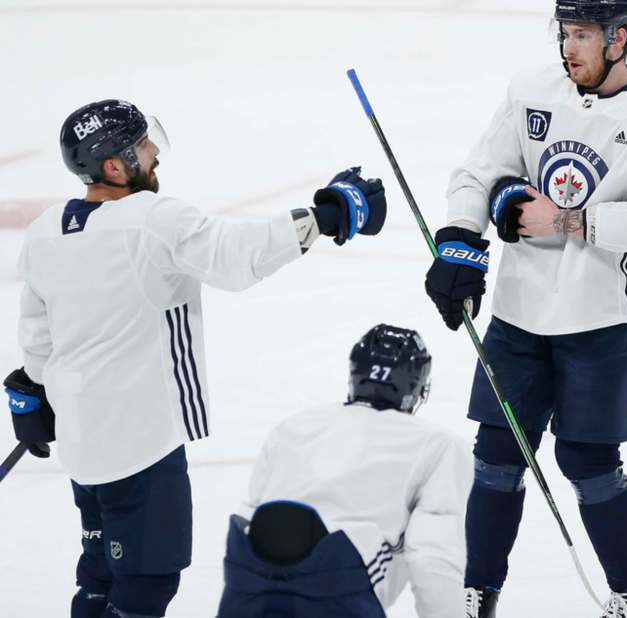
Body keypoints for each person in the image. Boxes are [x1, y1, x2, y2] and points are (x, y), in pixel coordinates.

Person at [3, 99, 386, 618]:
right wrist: (329, 214)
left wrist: (32, 390)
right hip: (141, 445)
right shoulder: (153, 219)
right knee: (144, 585)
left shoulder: (49, 229)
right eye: (142, 144)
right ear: (113, 165)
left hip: (84, 445)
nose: (155, 151)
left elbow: (37, 336)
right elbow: (236, 256)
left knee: (99, 572)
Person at [423, 0, 627, 618]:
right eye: (564, 33)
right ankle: (478, 596)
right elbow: (479, 173)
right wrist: (459, 237)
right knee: (495, 456)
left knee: (588, 461)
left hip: (606, 315)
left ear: (619, 38)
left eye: (582, 35)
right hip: (519, 313)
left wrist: (570, 221)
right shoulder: (532, 89)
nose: (568, 48)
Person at [216, 324, 472, 618]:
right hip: (336, 590)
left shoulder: (292, 427)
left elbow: (251, 520)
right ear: (417, 386)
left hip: (248, 589)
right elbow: (432, 558)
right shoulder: (439, 445)